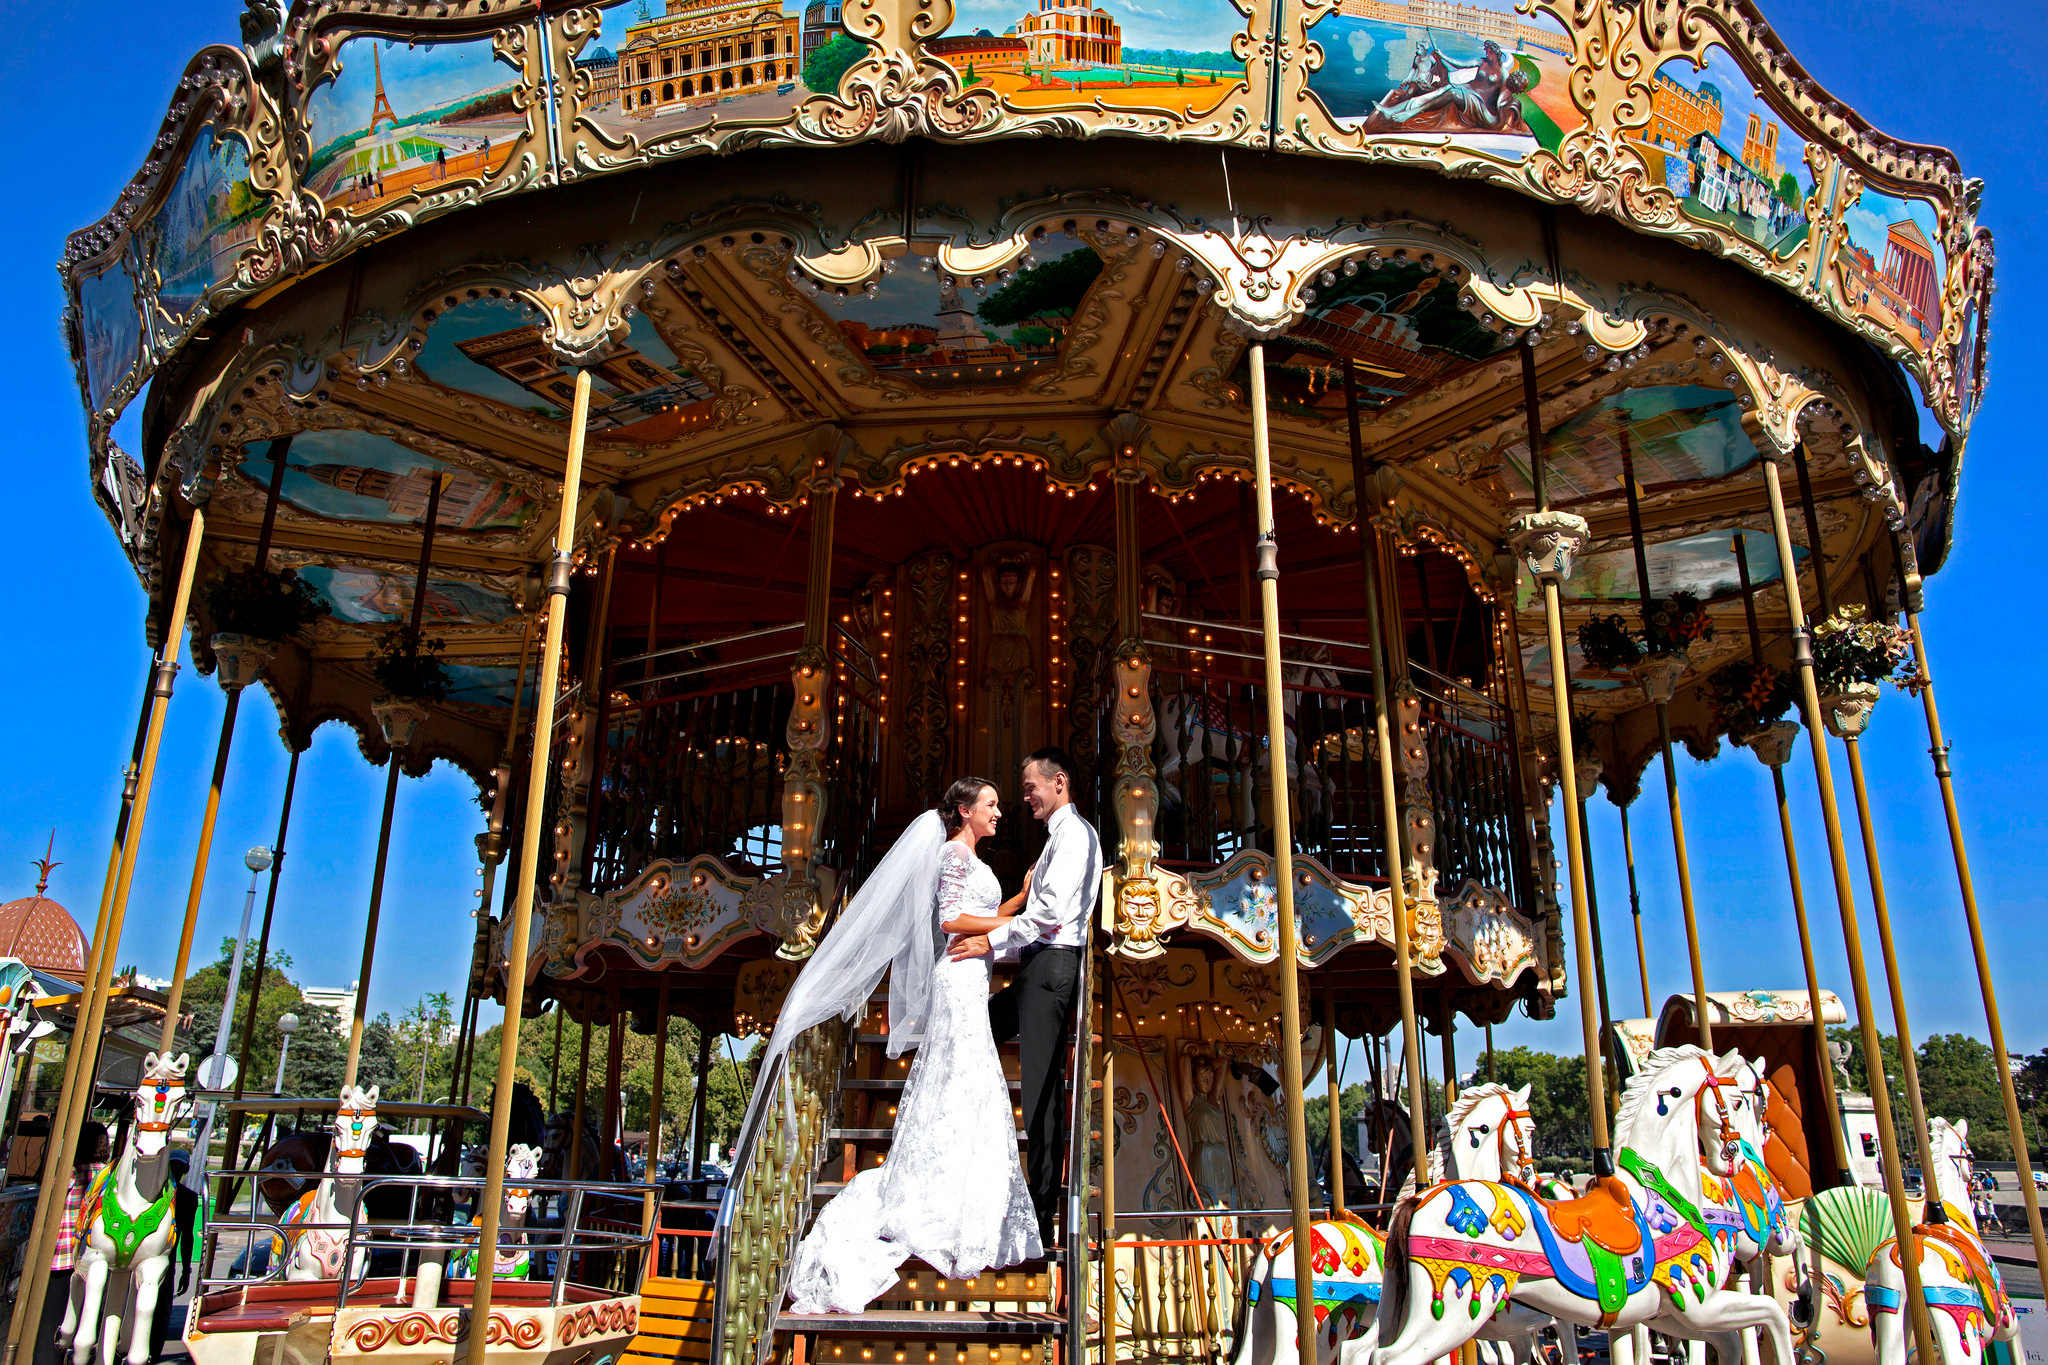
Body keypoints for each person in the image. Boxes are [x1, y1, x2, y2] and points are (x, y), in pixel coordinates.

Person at [779, 778, 1041, 1314]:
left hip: (974, 976)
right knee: (964, 1078)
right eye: (990, 805)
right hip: (960, 978)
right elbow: (950, 919)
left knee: (967, 1082)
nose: (999, 812)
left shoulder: (971, 857)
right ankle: (945, 1197)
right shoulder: (952, 854)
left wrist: (1020, 898)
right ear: (966, 811)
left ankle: (962, 1189)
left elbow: (977, 910)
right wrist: (1017, 920)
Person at [949, 747, 1102, 1248]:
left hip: (1053, 965)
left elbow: (1049, 917)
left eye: (1031, 788)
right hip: (1039, 966)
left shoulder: (1074, 836)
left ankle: (1042, 1213)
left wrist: (987, 940)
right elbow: (1038, 909)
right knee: (977, 1027)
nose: (1026, 799)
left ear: (1058, 782)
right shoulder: (1058, 838)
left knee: (1040, 1089)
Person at [36, 1120, 109, 1365]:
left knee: (52, 1322)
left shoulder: (72, 1172)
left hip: (62, 1256)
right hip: (94, 1261)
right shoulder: (109, 1177)